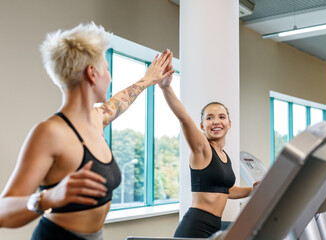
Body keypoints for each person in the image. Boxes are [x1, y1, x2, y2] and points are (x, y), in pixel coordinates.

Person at [0, 22, 173, 240]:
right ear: (92, 73)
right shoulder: (50, 133)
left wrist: (148, 80)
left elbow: (120, 101)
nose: (109, 77)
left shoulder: (96, 119)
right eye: (107, 69)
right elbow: (3, 211)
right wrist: (49, 198)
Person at [159, 53, 258, 238]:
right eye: (210, 118)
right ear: (202, 125)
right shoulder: (202, 148)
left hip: (215, 227)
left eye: (221, 117)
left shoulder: (224, 155)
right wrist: (166, 88)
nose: (216, 122)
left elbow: (225, 191)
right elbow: (184, 119)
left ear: (229, 123)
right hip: (195, 227)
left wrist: (254, 191)